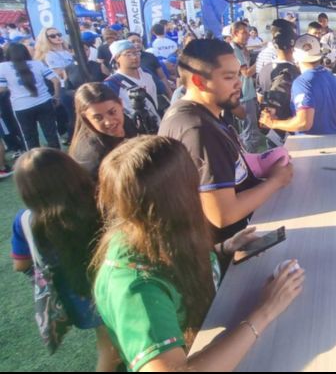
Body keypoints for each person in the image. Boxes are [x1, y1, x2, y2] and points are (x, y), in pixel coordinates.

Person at [92, 135, 304, 372]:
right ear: (175, 199)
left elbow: (172, 271)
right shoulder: (135, 289)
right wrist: (265, 311)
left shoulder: (150, 230)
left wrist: (223, 250)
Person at [158, 39, 293, 247]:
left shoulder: (205, 113)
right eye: (229, 77)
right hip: (223, 255)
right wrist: (276, 180)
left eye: (238, 74)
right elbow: (223, 215)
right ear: (200, 81)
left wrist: (263, 162)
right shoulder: (198, 130)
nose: (239, 83)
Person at [11, 148, 118, 371]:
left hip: (75, 294)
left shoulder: (25, 220)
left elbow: (20, 263)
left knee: (107, 342)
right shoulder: (99, 199)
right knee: (111, 346)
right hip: (113, 281)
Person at [259, 34, 336, 135]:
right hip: (334, 137)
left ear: (295, 56)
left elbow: (304, 123)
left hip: (311, 145)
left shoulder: (301, 83)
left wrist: (273, 123)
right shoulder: (334, 78)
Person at [69, 83, 138, 180]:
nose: (109, 122)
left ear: (121, 104)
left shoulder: (127, 122)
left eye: (112, 112)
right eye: (98, 118)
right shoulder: (91, 156)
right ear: (86, 118)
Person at [0, 43, 61, 149]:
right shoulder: (37, 64)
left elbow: (2, 88)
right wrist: (56, 96)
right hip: (44, 102)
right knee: (51, 134)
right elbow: (56, 81)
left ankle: (33, 162)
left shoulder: (3, 67)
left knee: (29, 138)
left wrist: (12, 87)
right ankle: (58, 159)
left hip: (21, 106)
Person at [256, 20, 301, 138]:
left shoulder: (265, 68)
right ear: (293, 46)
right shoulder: (292, 71)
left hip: (270, 130)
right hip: (286, 128)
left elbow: (260, 98)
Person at [104, 40, 161, 132]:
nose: (134, 57)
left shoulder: (146, 73)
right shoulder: (112, 84)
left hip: (157, 123)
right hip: (134, 130)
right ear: (116, 58)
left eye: (136, 53)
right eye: (128, 54)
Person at [229, 21, 261, 153]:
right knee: (250, 130)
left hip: (246, 92)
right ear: (235, 33)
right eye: (244, 32)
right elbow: (246, 73)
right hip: (244, 94)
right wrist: (261, 60)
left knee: (247, 129)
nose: (248, 35)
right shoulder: (235, 50)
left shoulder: (240, 48)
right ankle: (251, 161)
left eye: (248, 32)